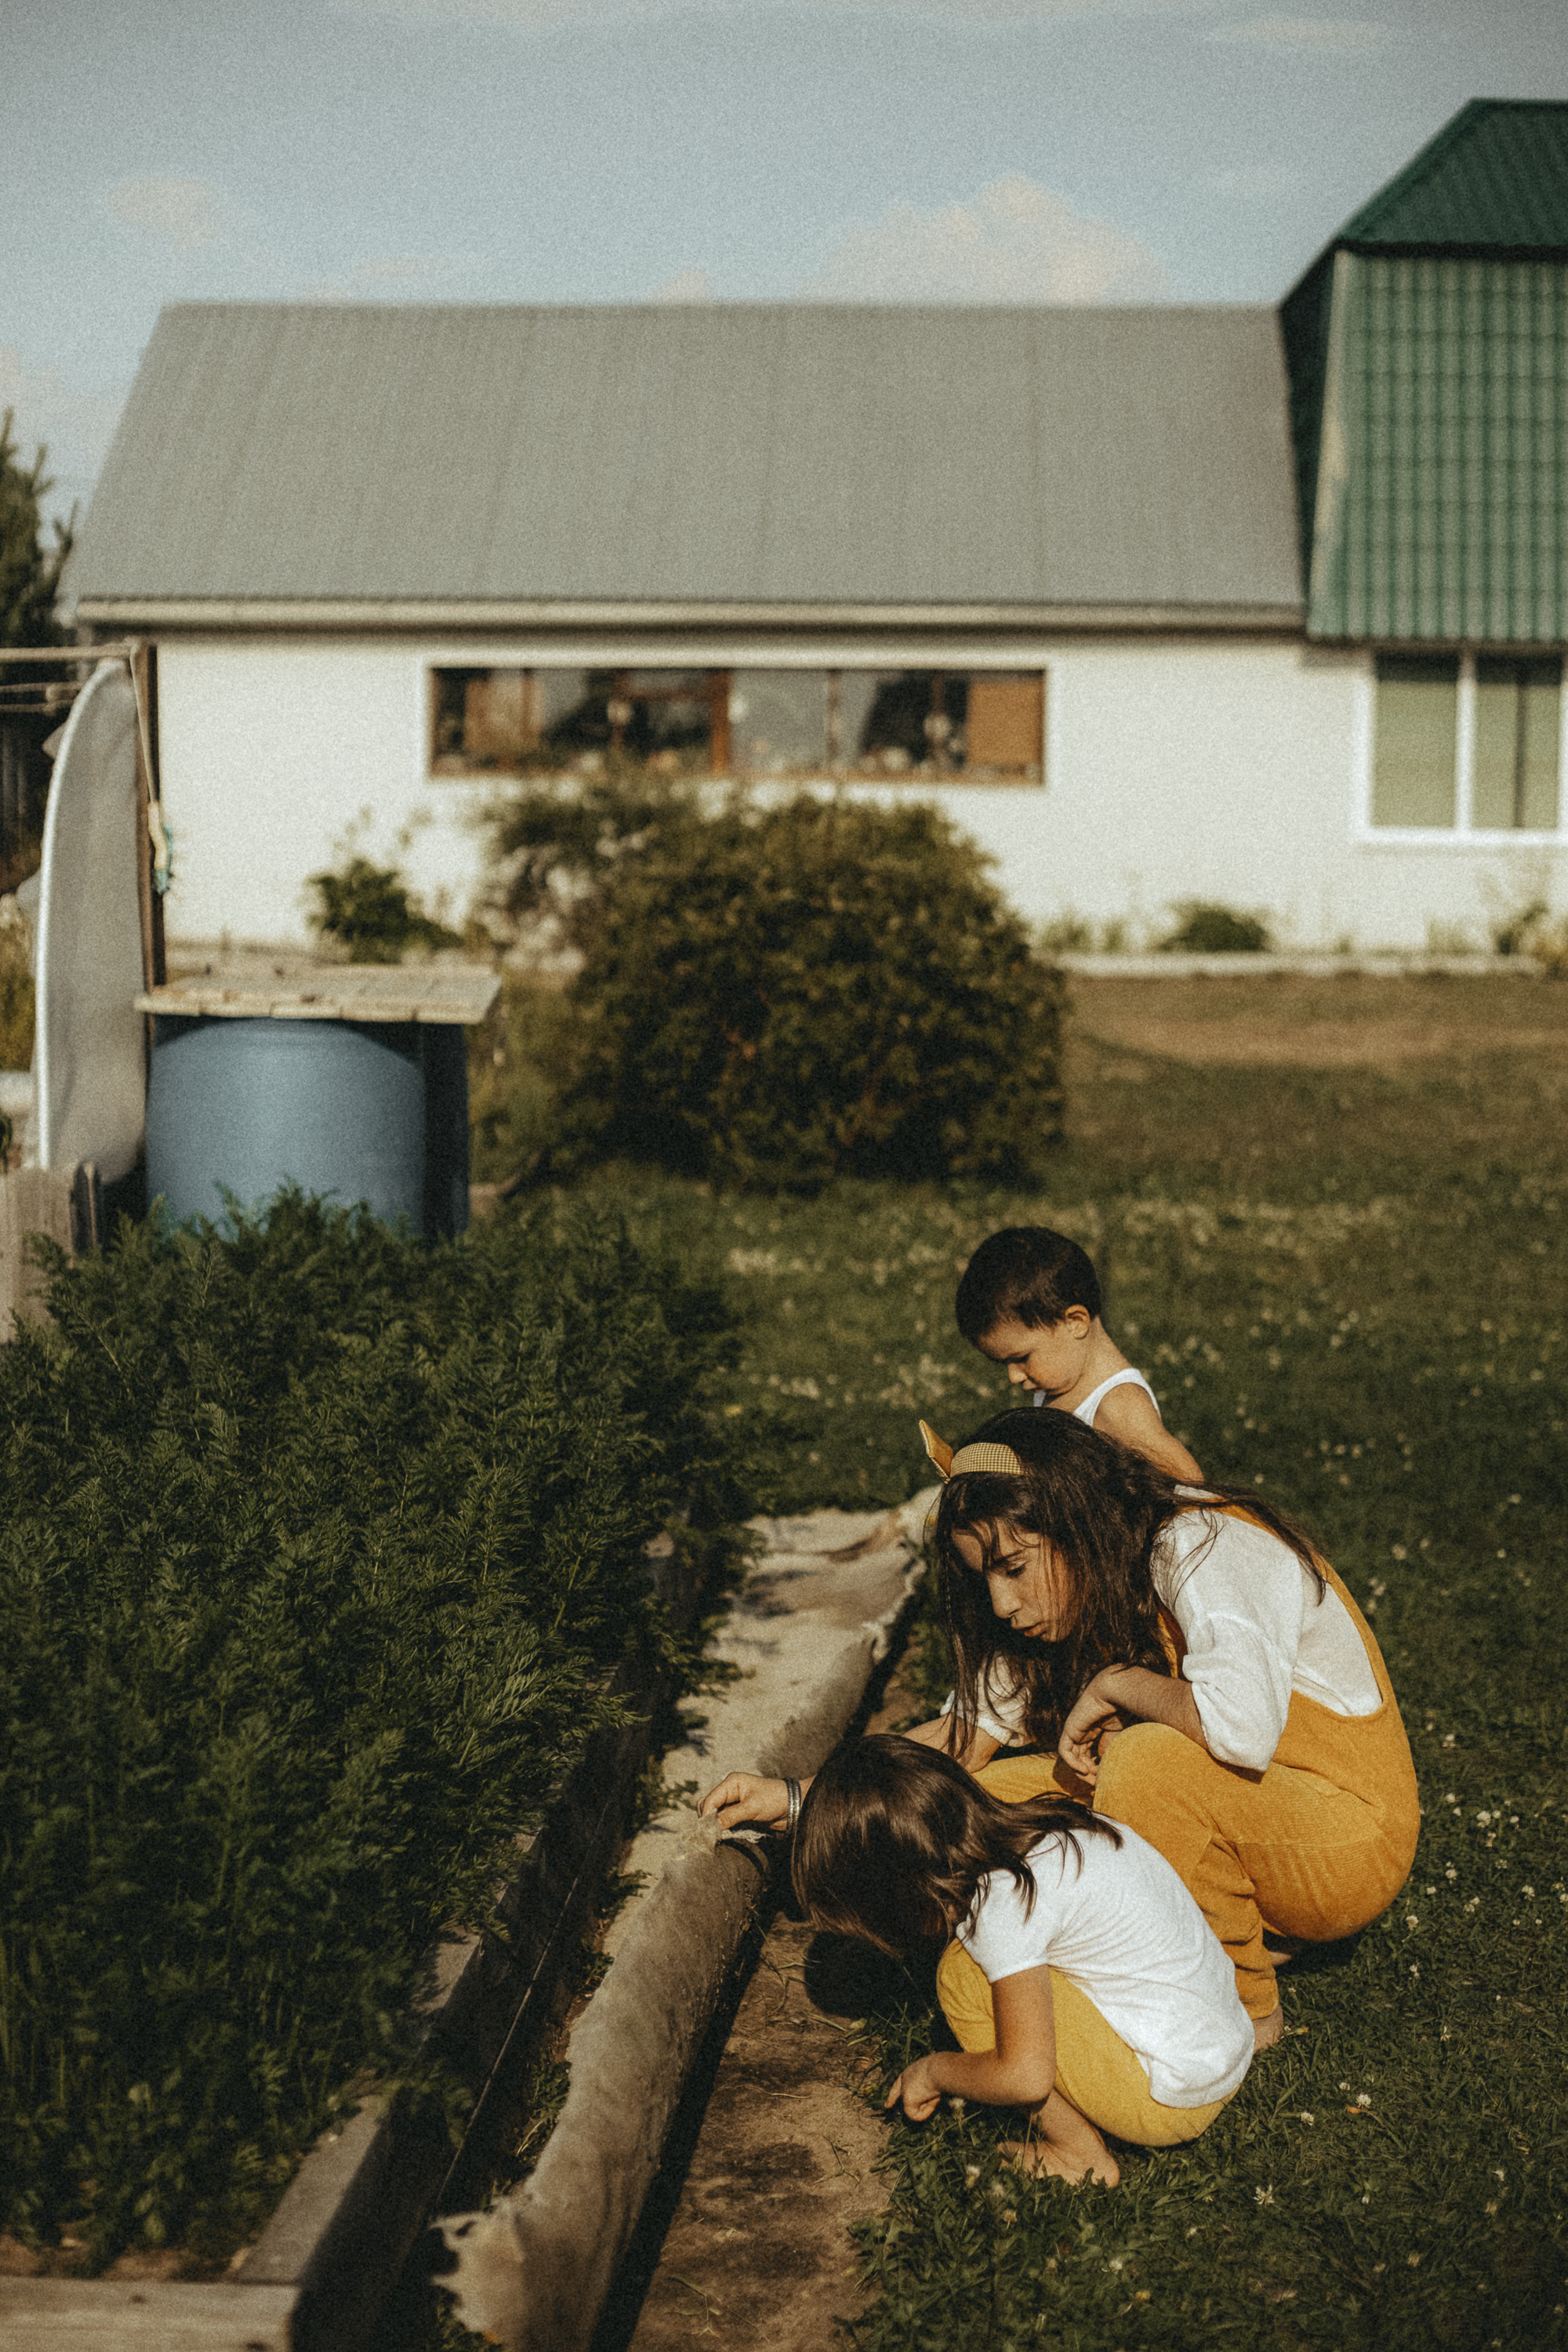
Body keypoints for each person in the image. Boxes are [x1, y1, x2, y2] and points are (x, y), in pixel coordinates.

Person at [704, 1411, 1419, 2048]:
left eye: (1014, 1568)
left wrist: (1118, 1684)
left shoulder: (1202, 1545)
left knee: (1144, 1763)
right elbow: (965, 1739)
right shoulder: (1080, 1584)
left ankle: (1245, 2011)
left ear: (1076, 1525)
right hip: (1251, 1813)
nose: (1002, 1603)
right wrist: (801, 1797)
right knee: (982, 1796)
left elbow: (1240, 1730)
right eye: (985, 1579)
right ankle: (1091, 1939)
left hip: (1345, 1844)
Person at [793, 1735, 1252, 2183]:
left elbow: (1025, 2077)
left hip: (1170, 2099)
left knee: (962, 1977)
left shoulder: (1001, 1908)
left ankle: (1078, 2154)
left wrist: (934, 2071)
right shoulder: (1049, 1826)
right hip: (1224, 2046)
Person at [954, 1225, 1202, 1482]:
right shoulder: (1058, 1384)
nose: (1014, 1376)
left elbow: (1191, 1483)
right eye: (1003, 1362)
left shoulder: (1119, 1406)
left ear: (1075, 1322)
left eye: (1021, 1358)